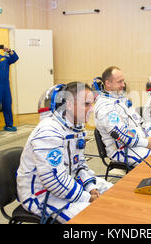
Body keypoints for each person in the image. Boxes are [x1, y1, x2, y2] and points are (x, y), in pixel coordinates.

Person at [17, 82, 113, 224]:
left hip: (65, 182)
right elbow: (53, 180)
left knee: (114, 193)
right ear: (68, 105)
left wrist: (91, 188)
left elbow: (79, 165)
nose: (92, 109)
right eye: (86, 104)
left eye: (92, 104)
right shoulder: (48, 132)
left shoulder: (75, 127)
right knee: (97, 216)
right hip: (40, 194)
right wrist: (86, 197)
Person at [94, 66, 151, 168]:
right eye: (119, 82)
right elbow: (121, 134)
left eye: (123, 81)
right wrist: (146, 143)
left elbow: (140, 121)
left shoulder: (121, 99)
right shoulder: (104, 106)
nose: (123, 85)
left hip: (140, 143)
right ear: (108, 83)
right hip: (121, 151)